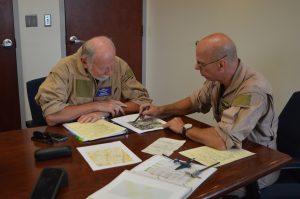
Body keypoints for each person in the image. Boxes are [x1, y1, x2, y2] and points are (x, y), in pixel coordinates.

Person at [139, 33, 278, 197]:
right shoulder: (218, 78)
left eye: (201, 63)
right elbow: (195, 102)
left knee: (193, 190)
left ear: (221, 64)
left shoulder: (253, 89)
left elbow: (222, 140)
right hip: (228, 155)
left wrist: (184, 129)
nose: (196, 67)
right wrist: (160, 110)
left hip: (256, 165)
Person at [36, 36, 151, 126]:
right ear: (85, 62)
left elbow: (142, 101)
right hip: (73, 132)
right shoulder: (63, 69)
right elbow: (52, 116)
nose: (110, 72)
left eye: (112, 65)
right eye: (103, 68)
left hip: (109, 130)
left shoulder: (120, 64)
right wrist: (97, 105)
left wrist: (106, 112)